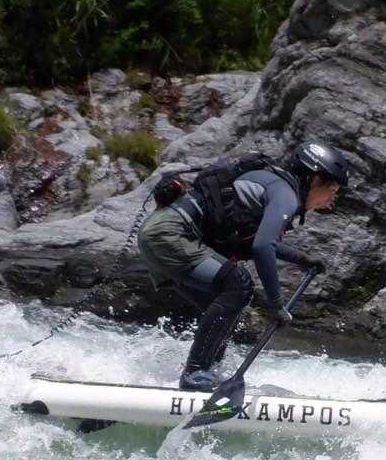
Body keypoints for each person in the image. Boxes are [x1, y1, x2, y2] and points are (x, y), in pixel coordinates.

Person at [135, 141, 350, 390]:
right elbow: (262, 247)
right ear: (314, 179)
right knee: (238, 285)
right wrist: (276, 305)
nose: (331, 198)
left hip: (160, 234)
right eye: (332, 189)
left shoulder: (275, 184)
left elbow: (260, 242)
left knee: (228, 307)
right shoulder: (286, 195)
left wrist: (302, 260)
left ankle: (209, 372)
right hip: (170, 235)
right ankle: (195, 374)